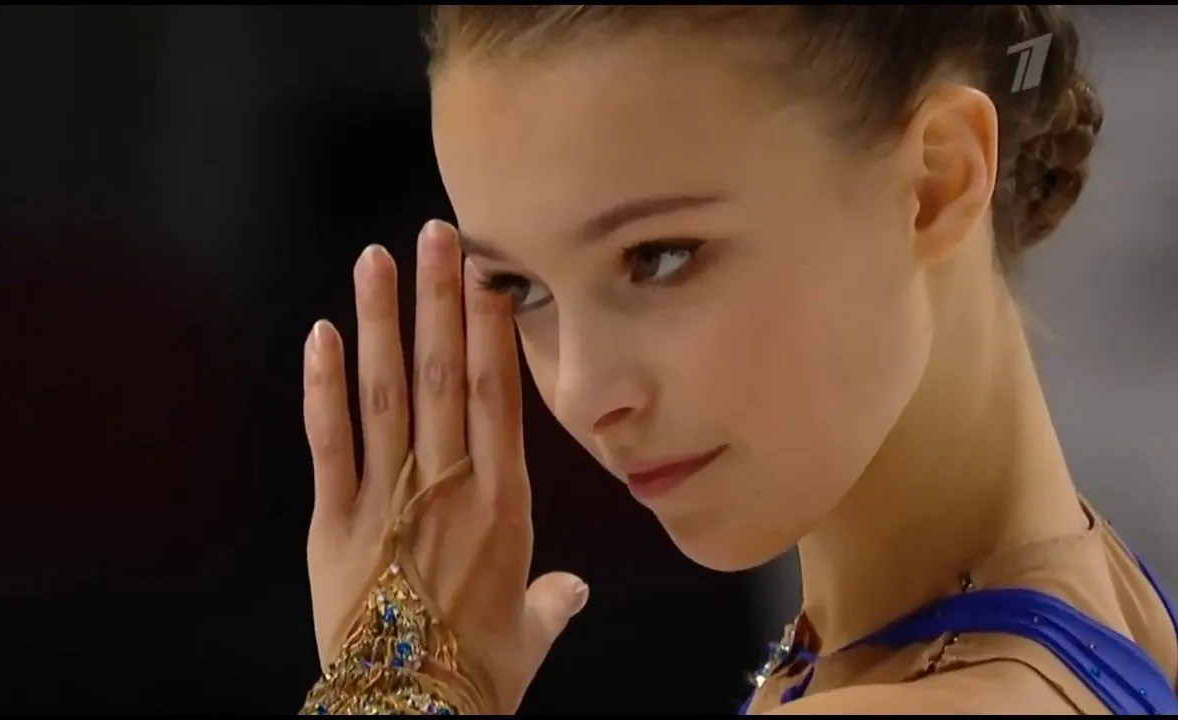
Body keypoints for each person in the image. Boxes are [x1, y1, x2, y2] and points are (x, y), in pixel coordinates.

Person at [297, 5, 1178, 714]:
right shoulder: (1102, 604)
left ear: (935, 183)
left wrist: (393, 687)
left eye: (659, 258)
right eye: (520, 287)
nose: (581, 390)